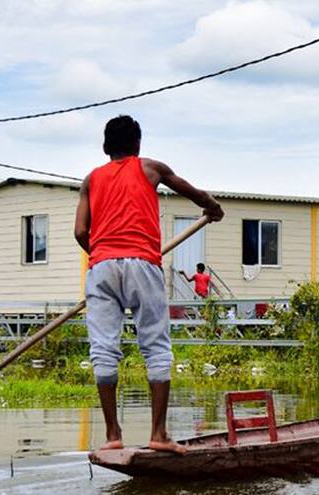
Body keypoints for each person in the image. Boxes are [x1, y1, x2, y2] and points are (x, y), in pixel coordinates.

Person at [74, 115, 224, 453]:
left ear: (105, 147)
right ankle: (158, 434)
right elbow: (193, 193)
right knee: (155, 346)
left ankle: (113, 436)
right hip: (143, 262)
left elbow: (81, 232)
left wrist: (101, 256)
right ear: (138, 144)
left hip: (101, 267)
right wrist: (212, 207)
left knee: (103, 350)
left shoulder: (90, 180)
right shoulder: (151, 168)